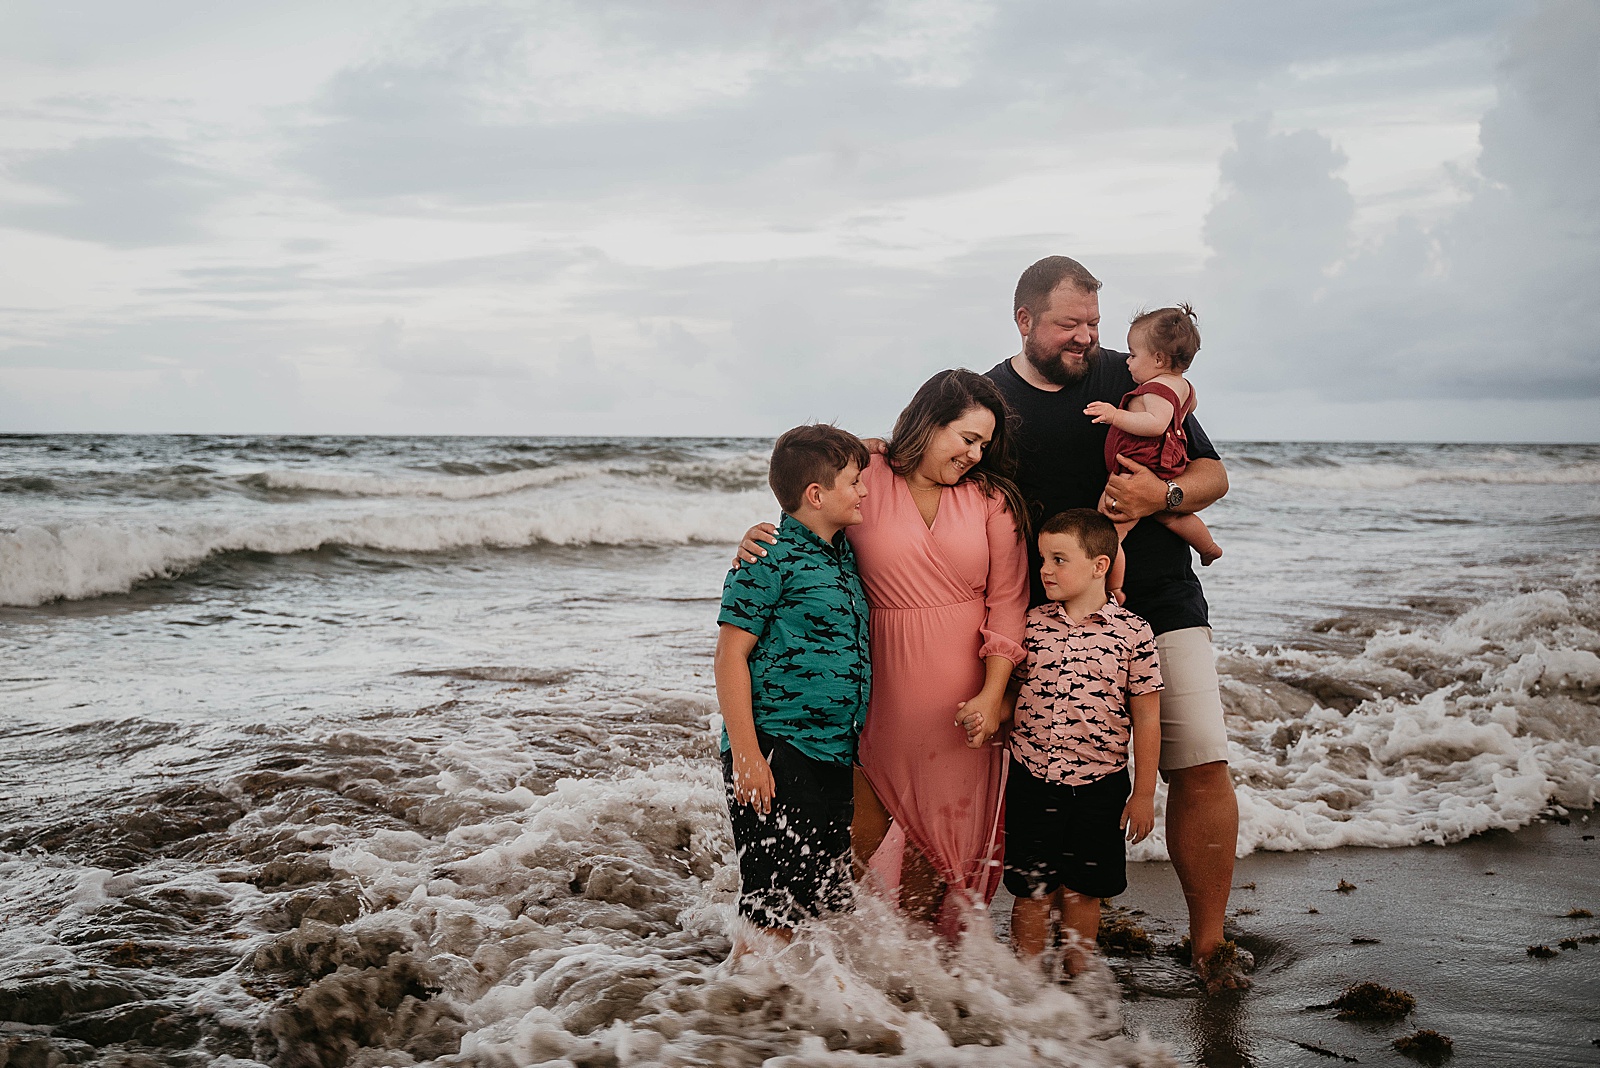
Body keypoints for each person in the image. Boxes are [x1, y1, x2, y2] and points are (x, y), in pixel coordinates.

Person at [986, 255, 1249, 992]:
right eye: (1070, 324)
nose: (1086, 339)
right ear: (1025, 320)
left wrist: (1159, 496)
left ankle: (1209, 946)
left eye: (1094, 324)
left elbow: (1212, 477)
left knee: (1198, 762)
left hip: (1160, 601)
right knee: (1046, 778)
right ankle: (1030, 951)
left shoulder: (1132, 383)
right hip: (1050, 625)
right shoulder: (992, 396)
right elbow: (926, 463)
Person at [737, 371, 1030, 939]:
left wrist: (994, 693)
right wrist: (755, 540)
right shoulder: (867, 472)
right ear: (929, 422)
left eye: (984, 444)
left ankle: (916, 969)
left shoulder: (992, 500)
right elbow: (806, 511)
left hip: (963, 695)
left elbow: (1009, 602)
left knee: (935, 846)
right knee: (854, 837)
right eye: (966, 438)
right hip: (872, 687)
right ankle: (826, 952)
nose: (975, 454)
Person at [715, 424, 872, 953]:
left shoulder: (843, 552)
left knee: (823, 897)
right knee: (773, 900)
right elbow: (730, 656)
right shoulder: (767, 556)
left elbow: (875, 455)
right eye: (854, 482)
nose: (865, 491)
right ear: (816, 495)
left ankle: (797, 1014)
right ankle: (744, 1009)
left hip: (832, 750)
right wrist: (747, 755)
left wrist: (868, 450)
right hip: (776, 748)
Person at [999, 509, 1161, 976]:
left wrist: (1144, 793)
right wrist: (992, 716)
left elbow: (1147, 719)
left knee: (1083, 890)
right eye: (1042, 559)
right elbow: (1013, 691)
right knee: (1031, 890)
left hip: (1101, 786)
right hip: (1032, 780)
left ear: (1099, 565)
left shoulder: (1133, 633)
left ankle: (1078, 977)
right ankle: (1024, 984)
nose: (1045, 570)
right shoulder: (1031, 624)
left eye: (1058, 559)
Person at [1084, 304, 1223, 600]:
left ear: (1158, 359)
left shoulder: (1156, 388)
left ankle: (1114, 588)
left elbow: (1156, 424)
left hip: (1139, 466)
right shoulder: (1184, 388)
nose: (1127, 363)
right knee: (1171, 516)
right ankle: (1208, 547)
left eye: (1133, 355)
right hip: (1165, 467)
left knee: (1111, 530)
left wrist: (1114, 415)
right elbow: (1184, 414)